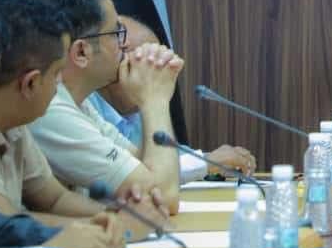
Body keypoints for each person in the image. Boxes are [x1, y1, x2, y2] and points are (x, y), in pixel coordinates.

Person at [0, 0, 165, 247]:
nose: (60, 83)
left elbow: (54, 199)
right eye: (56, 74)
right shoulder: (46, 114)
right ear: (30, 84)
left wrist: (110, 218)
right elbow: (6, 228)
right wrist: (114, 227)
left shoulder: (15, 125)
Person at [26, 0, 184, 214]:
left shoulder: (79, 102)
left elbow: (142, 166)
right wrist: (155, 100)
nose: (124, 45)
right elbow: (162, 198)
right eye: (116, 33)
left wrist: (147, 98)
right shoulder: (50, 110)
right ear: (81, 52)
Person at [87, 15, 257, 182]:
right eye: (152, 65)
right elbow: (134, 173)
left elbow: (166, 157)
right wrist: (207, 162)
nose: (160, 73)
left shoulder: (134, 109)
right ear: (121, 66)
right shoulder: (84, 106)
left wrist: (216, 162)